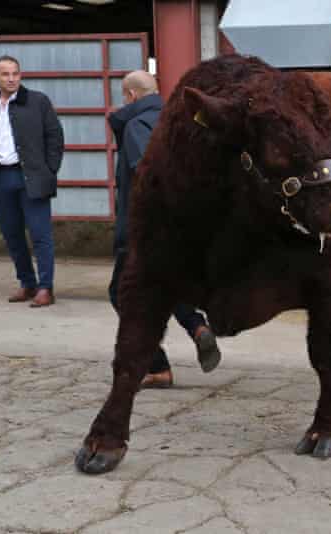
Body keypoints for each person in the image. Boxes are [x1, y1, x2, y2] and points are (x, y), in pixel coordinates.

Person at [108, 70, 221, 388]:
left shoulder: (135, 125)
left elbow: (147, 174)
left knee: (121, 293)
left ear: (130, 95)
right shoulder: (179, 120)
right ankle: (197, 327)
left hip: (146, 227)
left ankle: (157, 366)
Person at [0, 55, 64, 307]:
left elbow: (55, 137)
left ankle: (46, 288)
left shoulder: (38, 102)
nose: (11, 79)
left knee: (40, 233)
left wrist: (49, 170)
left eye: (15, 73)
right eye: (5, 74)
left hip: (31, 176)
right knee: (12, 235)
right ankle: (27, 283)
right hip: (0, 177)